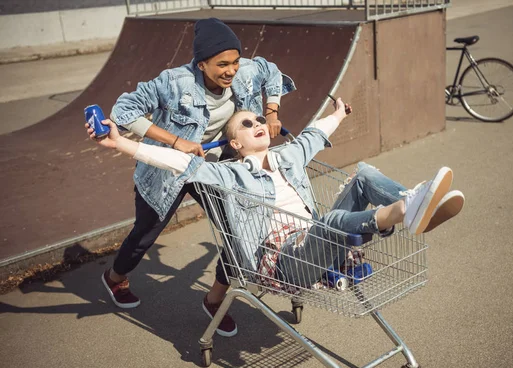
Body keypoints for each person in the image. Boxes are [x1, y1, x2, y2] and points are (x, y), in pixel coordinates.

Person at [88, 97, 464, 293]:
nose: (257, 124)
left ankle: (416, 202)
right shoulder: (230, 173)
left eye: (258, 120)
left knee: (364, 174)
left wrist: (339, 113)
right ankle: (405, 208)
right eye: (246, 123)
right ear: (235, 142)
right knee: (331, 222)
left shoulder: (287, 156)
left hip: (314, 242)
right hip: (285, 263)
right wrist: (123, 144)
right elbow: (178, 163)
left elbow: (315, 134)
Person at [103, 17, 295, 338]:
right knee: (146, 233)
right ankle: (115, 276)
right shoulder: (175, 82)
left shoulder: (245, 71)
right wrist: (176, 141)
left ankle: (215, 300)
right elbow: (124, 111)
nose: (231, 70)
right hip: (169, 169)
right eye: (222, 64)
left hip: (214, 167)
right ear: (202, 64)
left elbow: (271, 71)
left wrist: (272, 111)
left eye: (234, 62)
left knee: (240, 232)